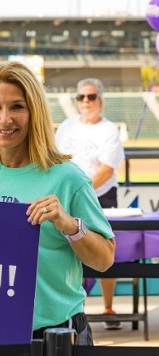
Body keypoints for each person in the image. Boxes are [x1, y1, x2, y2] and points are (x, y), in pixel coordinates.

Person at [0, 61, 115, 345]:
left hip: (56, 335)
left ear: (34, 112)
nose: (4, 119)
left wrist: (69, 224)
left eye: (17, 107)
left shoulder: (68, 178)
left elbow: (104, 259)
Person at [55, 78, 125, 330]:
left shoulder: (109, 130)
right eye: (81, 97)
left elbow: (106, 170)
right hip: (68, 195)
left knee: (104, 250)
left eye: (91, 97)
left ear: (100, 101)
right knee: (68, 250)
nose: (85, 101)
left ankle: (108, 306)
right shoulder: (67, 126)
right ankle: (71, 307)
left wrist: (79, 192)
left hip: (100, 196)